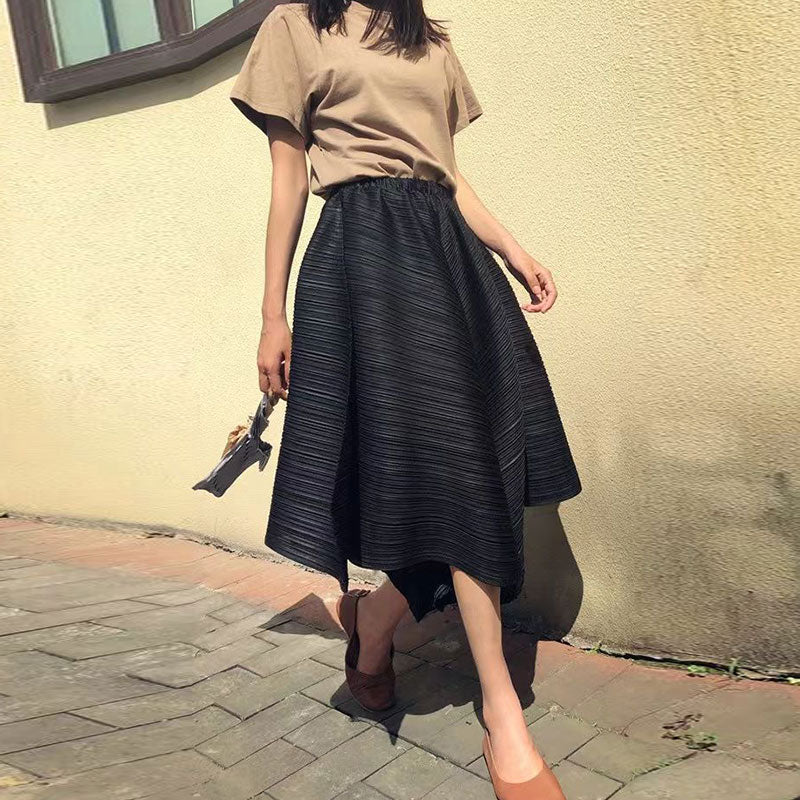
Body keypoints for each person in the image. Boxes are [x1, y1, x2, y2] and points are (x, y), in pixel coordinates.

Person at [229, 1, 582, 796]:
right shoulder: (295, 26)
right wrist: (272, 315)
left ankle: (377, 622)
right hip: (363, 260)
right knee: (449, 475)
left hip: (449, 262)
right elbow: (288, 178)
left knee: (469, 470)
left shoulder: (431, 41)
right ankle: (504, 713)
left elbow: (447, 174)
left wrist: (515, 250)